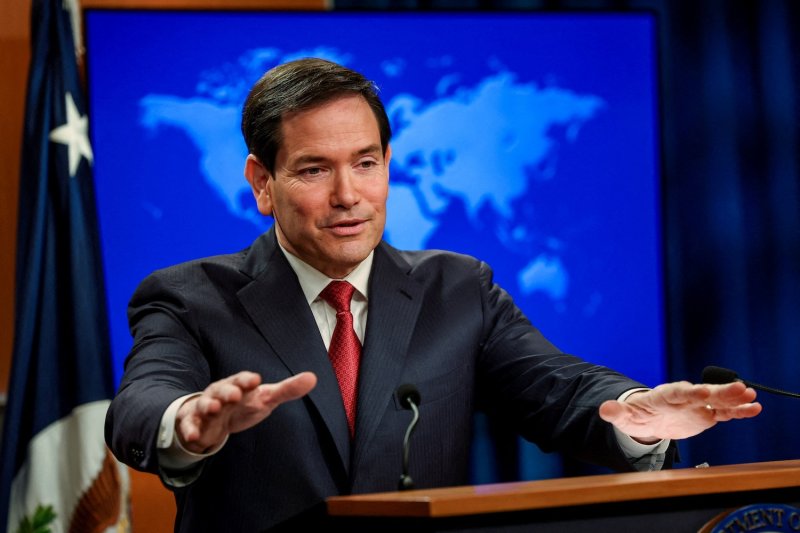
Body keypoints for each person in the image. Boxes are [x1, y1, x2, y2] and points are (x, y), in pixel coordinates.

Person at [104, 58, 761, 532]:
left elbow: (557, 387)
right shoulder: (191, 297)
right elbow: (141, 403)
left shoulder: (458, 287)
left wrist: (640, 412)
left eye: (365, 163)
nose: (348, 195)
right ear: (262, 182)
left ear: (388, 164)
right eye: (314, 169)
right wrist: (188, 422)